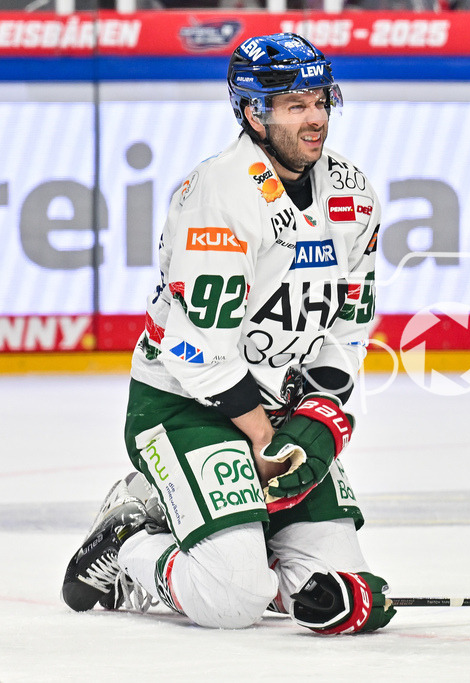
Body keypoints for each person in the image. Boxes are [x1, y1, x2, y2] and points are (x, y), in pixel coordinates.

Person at [60, 33, 395, 635]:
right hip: (185, 406)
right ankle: (138, 544)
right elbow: (193, 349)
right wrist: (270, 442)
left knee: (340, 588)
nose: (316, 118)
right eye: (294, 105)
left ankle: (236, 528)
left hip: (279, 405)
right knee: (234, 597)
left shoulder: (353, 192)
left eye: (320, 100)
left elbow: (350, 321)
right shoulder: (220, 194)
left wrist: (320, 416)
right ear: (252, 114)